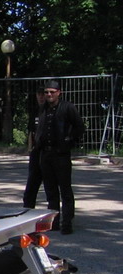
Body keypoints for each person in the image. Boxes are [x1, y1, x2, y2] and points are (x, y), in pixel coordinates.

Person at [34, 80, 84, 234]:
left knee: (65, 189)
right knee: (50, 190)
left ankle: (67, 223)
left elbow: (79, 127)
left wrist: (69, 140)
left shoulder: (67, 107)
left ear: (58, 93)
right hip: (46, 154)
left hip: (61, 154)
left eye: (52, 92)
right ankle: (54, 222)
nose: (49, 94)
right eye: (46, 92)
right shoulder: (43, 108)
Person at [22, 86, 46, 209]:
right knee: (31, 186)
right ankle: (28, 211)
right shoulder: (35, 111)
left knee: (51, 188)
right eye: (39, 94)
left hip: (49, 153)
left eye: (43, 94)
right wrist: (30, 149)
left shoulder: (53, 111)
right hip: (36, 153)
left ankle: (56, 215)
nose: (41, 97)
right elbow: (31, 132)